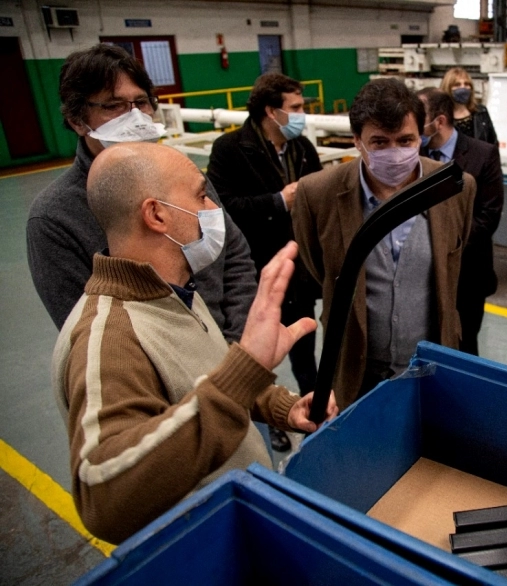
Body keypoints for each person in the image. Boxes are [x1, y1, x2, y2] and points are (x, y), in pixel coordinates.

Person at [53, 142, 338, 545]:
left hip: (239, 522)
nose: (213, 209)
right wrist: (248, 368)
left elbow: (202, 380)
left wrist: (283, 406)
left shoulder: (173, 292)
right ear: (156, 214)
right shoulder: (108, 337)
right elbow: (103, 493)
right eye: (201, 195)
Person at [27, 43, 257, 342]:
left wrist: (233, 346)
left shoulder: (184, 174)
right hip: (155, 377)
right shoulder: (54, 219)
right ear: (77, 120)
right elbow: (89, 333)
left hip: (229, 353)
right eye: (113, 105)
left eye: (142, 102)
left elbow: (235, 254)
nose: (135, 117)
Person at [294, 78, 476, 410]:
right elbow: (319, 268)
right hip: (353, 370)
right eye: (379, 142)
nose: (395, 153)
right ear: (356, 141)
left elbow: (453, 262)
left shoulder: (455, 188)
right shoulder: (316, 195)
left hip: (430, 368)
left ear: (421, 136)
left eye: (406, 140)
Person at [207, 73, 323, 452]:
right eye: (297, 108)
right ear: (271, 112)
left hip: (299, 272)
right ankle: (266, 418)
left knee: (306, 350)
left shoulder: (302, 148)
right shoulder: (229, 149)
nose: (303, 115)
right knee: (257, 357)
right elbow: (224, 209)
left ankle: (315, 412)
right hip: (255, 277)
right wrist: (278, 201)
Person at [417, 88, 504, 356]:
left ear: (439, 121)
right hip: (422, 272)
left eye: (419, 118)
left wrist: (442, 244)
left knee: (464, 347)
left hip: (468, 273)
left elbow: (488, 216)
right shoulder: (412, 154)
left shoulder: (483, 154)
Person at [439, 67, 498, 146]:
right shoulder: (440, 115)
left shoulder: (481, 112)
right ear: (448, 88)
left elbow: (493, 143)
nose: (463, 87)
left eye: (466, 84)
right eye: (457, 85)